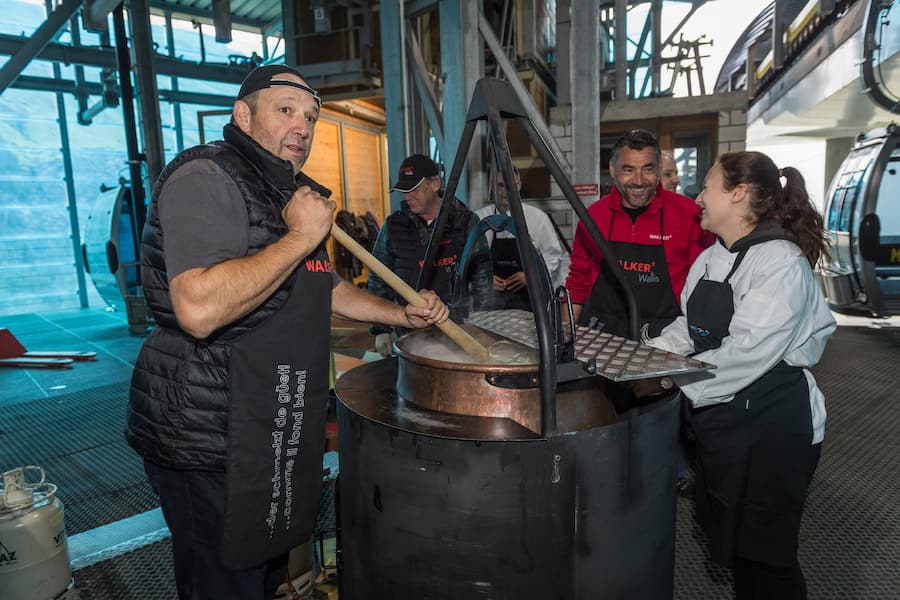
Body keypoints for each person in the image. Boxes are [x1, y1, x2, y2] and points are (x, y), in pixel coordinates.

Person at [125, 65, 449, 600]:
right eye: (285, 111)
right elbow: (198, 308)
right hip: (207, 431)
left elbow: (320, 288)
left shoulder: (286, 190)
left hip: (266, 424)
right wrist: (301, 236)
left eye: (311, 117)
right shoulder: (206, 178)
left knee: (265, 574)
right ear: (242, 114)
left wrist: (398, 314)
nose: (302, 126)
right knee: (224, 584)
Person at [647, 151, 836, 599]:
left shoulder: (780, 264)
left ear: (737, 194)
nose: (698, 196)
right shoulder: (712, 257)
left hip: (774, 428)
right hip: (726, 424)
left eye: (708, 186)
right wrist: (643, 355)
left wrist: (668, 378)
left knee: (768, 560)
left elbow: (746, 354)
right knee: (736, 543)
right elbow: (687, 328)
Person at [565, 129, 712, 339]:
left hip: (664, 335)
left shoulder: (689, 215)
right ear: (613, 169)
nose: (639, 180)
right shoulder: (594, 216)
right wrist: (565, 334)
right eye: (628, 170)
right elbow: (578, 281)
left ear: (659, 168)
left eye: (648, 169)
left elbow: (704, 284)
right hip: (601, 331)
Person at [368, 154, 492, 356]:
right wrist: (380, 329)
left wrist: (484, 329)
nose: (407, 197)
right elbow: (378, 277)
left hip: (456, 333)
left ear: (435, 184)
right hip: (407, 334)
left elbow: (483, 280)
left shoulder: (464, 222)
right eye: (404, 191)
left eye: (414, 189)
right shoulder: (394, 226)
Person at [474, 165, 570, 310]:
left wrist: (531, 276)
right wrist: (484, 277)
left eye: (511, 184)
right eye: (500, 185)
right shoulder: (480, 218)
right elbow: (470, 257)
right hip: (489, 302)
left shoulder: (538, 218)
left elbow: (553, 255)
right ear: (492, 187)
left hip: (530, 301)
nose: (505, 191)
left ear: (519, 185)